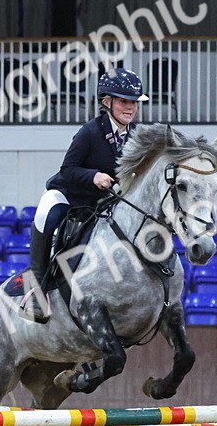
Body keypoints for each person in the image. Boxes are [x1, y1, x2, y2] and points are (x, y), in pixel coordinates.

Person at [24, 67, 149, 323]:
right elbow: (68, 169)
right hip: (73, 196)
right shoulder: (89, 132)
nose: (130, 108)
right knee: (45, 211)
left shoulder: (138, 135)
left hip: (109, 202)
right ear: (107, 102)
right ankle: (36, 287)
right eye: (124, 101)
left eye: (134, 102)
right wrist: (93, 176)